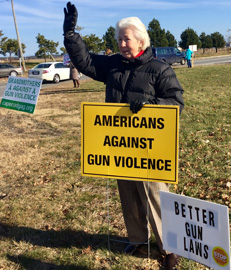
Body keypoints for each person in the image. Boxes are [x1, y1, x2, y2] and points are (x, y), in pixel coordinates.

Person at [63, 2, 184, 269]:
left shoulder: (159, 69)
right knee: (128, 194)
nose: (121, 44)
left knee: (155, 195)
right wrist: (71, 36)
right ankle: (138, 239)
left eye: (125, 39)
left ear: (140, 40)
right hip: (120, 146)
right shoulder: (113, 66)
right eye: (119, 39)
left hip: (150, 149)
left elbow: (176, 103)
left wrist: (152, 107)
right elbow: (86, 61)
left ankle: (169, 247)